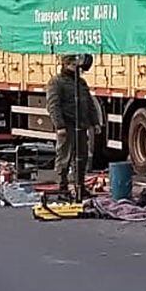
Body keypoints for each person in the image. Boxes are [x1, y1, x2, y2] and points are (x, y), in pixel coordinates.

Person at [46, 53, 99, 199]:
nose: (76, 68)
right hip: (67, 125)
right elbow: (53, 106)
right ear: (65, 64)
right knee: (64, 157)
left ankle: (80, 187)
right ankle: (62, 188)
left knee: (81, 157)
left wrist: (95, 123)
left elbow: (89, 103)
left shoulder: (80, 83)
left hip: (81, 125)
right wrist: (59, 126)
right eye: (72, 64)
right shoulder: (56, 82)